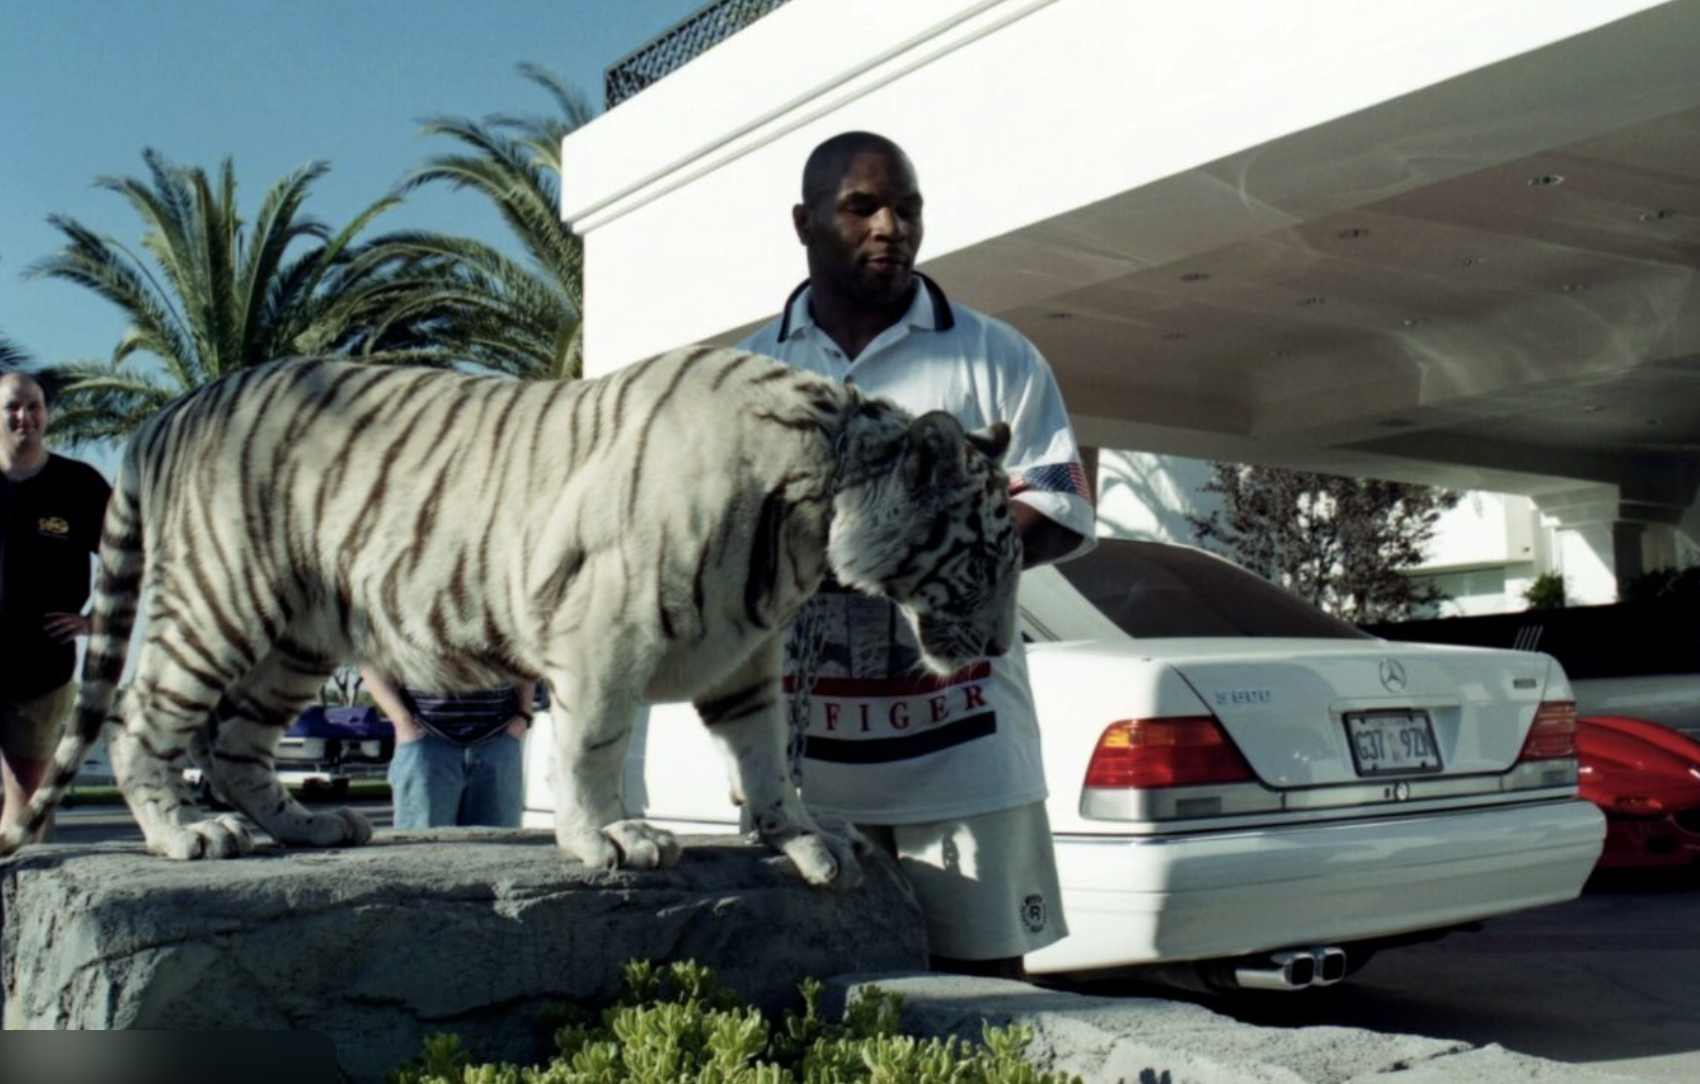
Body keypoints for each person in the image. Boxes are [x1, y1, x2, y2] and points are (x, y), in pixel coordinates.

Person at [740, 131, 1096, 978]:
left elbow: (1058, 505)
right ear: (805, 222)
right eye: (861, 207)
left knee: (988, 1007)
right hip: (809, 773)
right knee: (823, 1003)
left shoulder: (995, 353)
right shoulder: (756, 368)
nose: (890, 226)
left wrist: (910, 548)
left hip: (967, 755)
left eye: (908, 207)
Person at [1, 371, 111, 842]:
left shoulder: (78, 484)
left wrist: (96, 619)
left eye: (34, 406)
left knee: (29, 798)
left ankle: (23, 904)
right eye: (12, 407)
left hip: (42, 671)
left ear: (46, 413)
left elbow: (133, 557)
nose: (24, 417)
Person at [361, 667, 536, 829]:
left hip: (498, 743)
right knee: (423, 851)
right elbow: (372, 663)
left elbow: (524, 653)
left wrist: (524, 714)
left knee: (502, 851)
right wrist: (402, 721)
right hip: (426, 744)